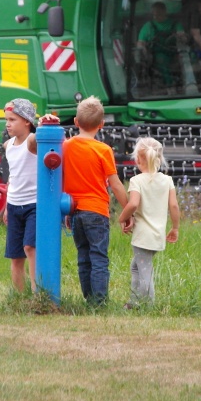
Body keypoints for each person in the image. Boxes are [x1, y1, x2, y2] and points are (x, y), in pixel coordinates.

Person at [56, 96, 129, 305]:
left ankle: (89, 299)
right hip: (96, 211)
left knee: (84, 257)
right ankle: (99, 302)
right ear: (101, 124)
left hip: (74, 211)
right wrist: (128, 210)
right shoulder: (103, 150)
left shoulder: (65, 146)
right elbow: (115, 184)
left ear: (76, 123)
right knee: (99, 257)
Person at [117, 137, 179, 308]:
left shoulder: (137, 181)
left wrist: (122, 218)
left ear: (137, 159)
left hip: (143, 236)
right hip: (157, 234)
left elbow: (134, 204)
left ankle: (148, 306)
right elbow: (173, 205)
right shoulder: (167, 180)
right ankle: (134, 302)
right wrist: (175, 228)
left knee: (145, 272)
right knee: (136, 267)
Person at [3, 98, 38, 294]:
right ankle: (19, 297)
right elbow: (13, 177)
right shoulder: (8, 145)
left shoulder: (31, 141)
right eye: (6, 119)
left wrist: (47, 121)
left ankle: (36, 294)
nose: (8, 124)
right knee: (15, 256)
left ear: (27, 121)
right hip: (15, 205)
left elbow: (42, 136)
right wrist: (7, 207)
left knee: (30, 248)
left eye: (13, 119)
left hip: (34, 204)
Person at [136, 1, 187, 91]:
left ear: (165, 12)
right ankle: (170, 86)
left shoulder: (175, 24)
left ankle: (190, 84)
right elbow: (140, 42)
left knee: (188, 59)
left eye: (158, 14)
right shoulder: (148, 26)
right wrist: (142, 49)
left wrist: (181, 37)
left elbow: (183, 38)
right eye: (154, 14)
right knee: (162, 61)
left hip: (174, 52)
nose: (155, 16)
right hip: (157, 54)